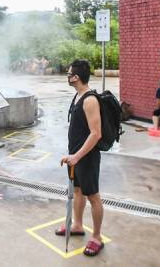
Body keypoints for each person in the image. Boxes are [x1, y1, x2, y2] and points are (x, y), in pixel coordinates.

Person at [57, 59, 105, 257]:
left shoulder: (89, 99)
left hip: (87, 157)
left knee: (92, 195)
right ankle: (77, 224)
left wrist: (76, 156)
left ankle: (97, 237)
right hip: (75, 156)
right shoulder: (78, 96)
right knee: (76, 190)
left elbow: (96, 134)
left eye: (69, 74)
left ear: (76, 77)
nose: (67, 76)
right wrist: (72, 156)